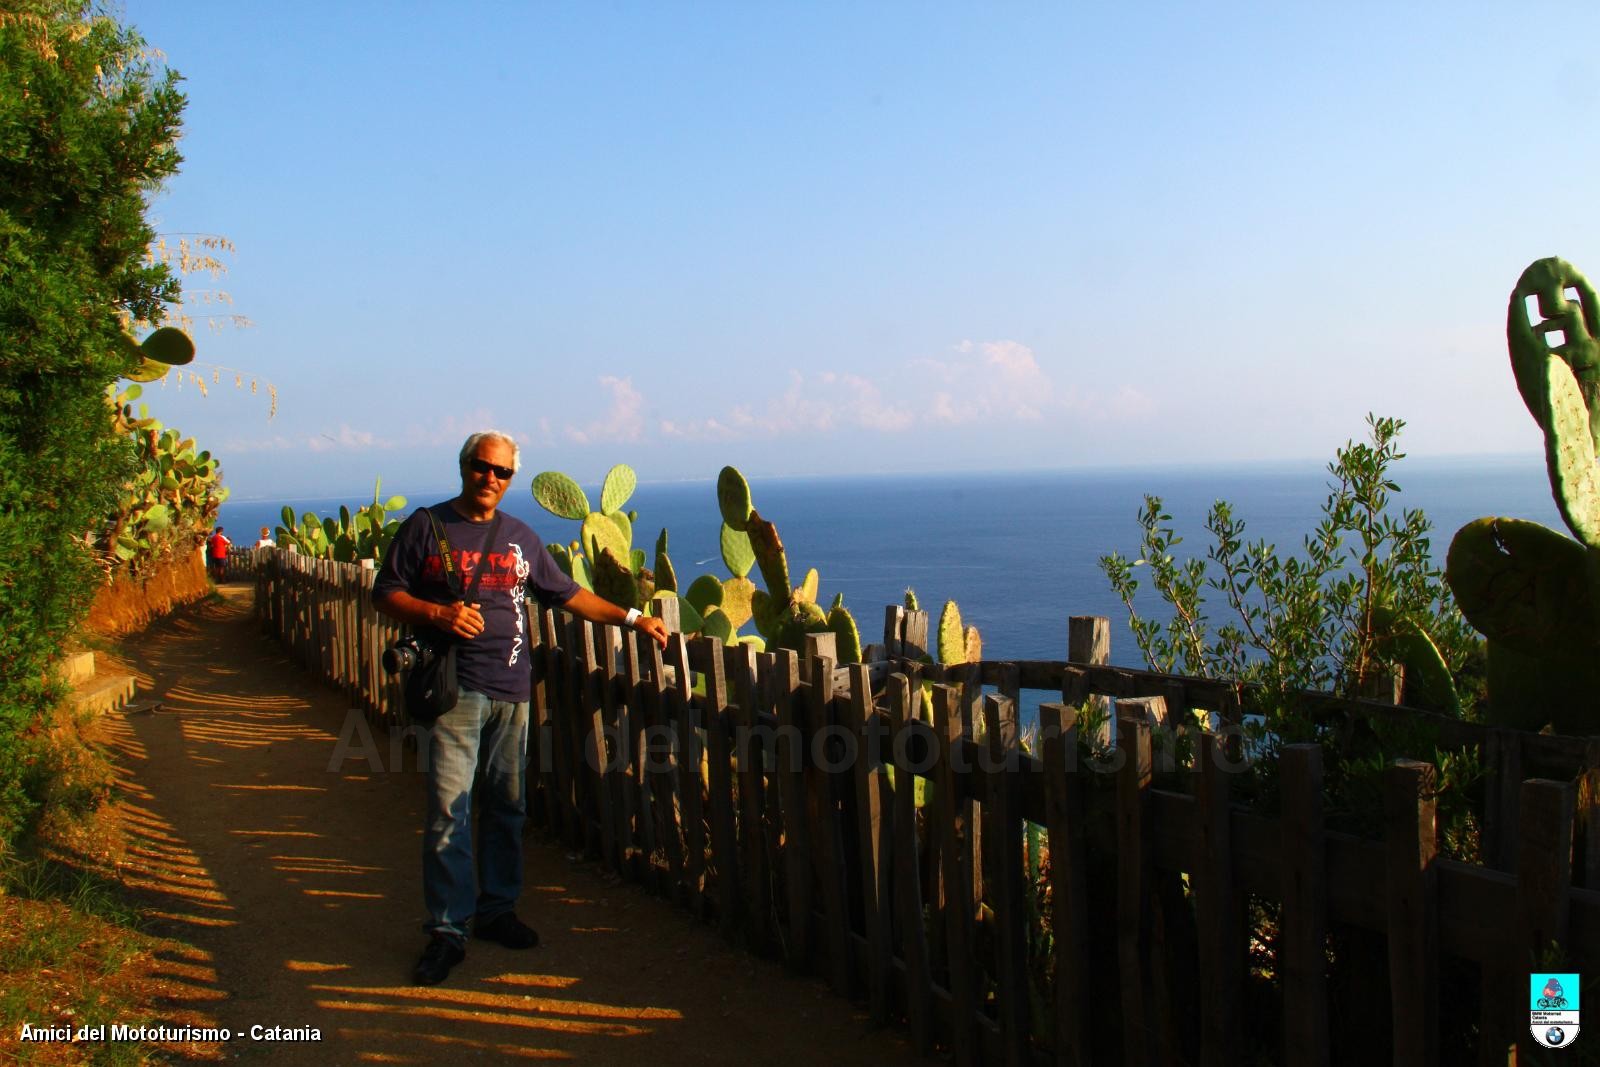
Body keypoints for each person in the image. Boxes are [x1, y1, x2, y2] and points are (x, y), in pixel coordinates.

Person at [373, 430, 669, 987]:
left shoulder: (519, 537)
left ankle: (495, 912)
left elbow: (567, 594)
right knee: (448, 814)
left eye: (502, 472)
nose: (490, 478)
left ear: (511, 479)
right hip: (453, 692)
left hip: (511, 690)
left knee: (507, 808)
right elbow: (385, 592)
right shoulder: (425, 527)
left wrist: (633, 618)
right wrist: (436, 616)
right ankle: (446, 931)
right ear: (464, 467)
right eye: (482, 467)